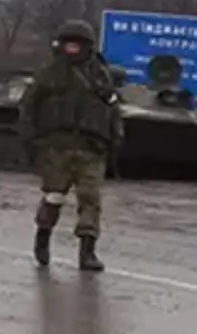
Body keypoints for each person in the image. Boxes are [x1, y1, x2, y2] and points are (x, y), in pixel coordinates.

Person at [18, 19, 122, 272]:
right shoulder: (49, 74)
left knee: (90, 199)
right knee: (54, 196)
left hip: (91, 147)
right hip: (56, 147)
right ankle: (43, 235)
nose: (72, 49)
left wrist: (115, 142)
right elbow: (28, 107)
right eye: (69, 44)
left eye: (77, 44)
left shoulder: (99, 74)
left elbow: (113, 109)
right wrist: (30, 141)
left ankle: (88, 250)